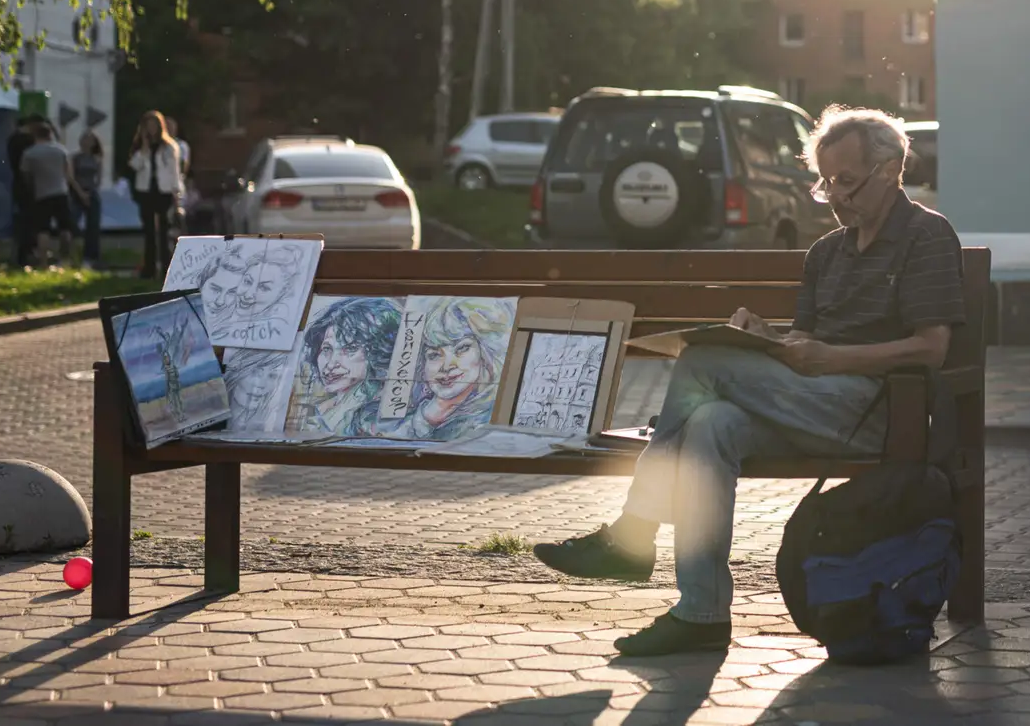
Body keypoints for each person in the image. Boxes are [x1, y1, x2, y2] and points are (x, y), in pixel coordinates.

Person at [533, 106, 966, 657]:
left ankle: (633, 533)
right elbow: (804, 345)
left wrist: (833, 359)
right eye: (825, 183)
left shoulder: (925, 236)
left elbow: (932, 348)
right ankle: (703, 614)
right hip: (815, 406)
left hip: (881, 412)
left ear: (889, 171)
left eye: (847, 183)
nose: (835, 197)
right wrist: (768, 337)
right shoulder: (826, 253)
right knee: (712, 424)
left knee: (699, 364)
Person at [389, 296, 510, 442]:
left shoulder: (489, 416)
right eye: (434, 355)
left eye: (462, 348)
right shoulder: (419, 415)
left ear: (485, 353)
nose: (446, 366)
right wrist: (427, 417)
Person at [293, 297, 401, 436]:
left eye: (350, 349)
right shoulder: (319, 411)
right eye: (326, 349)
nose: (331, 364)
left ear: (379, 352)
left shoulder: (378, 417)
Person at [127, 110, 182, 278]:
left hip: (164, 191)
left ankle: (166, 268)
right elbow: (135, 166)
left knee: (164, 231)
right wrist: (144, 147)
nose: (151, 129)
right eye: (148, 126)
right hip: (146, 191)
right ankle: (149, 268)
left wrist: (176, 193)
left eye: (154, 125)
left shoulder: (169, 146)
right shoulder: (140, 146)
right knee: (149, 231)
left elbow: (174, 172)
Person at [18, 121, 81, 263]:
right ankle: (65, 260)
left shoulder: (29, 153)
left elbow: (26, 175)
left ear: (35, 135)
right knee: (65, 228)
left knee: (43, 229)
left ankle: (44, 262)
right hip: (61, 192)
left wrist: (32, 188)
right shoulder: (61, 150)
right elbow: (68, 173)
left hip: (42, 193)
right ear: (50, 134)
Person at [6, 116, 38, 266]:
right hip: (30, 184)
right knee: (31, 219)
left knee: (21, 218)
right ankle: (27, 252)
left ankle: (21, 254)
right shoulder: (29, 142)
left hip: (17, 183)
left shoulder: (12, 140)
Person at [71, 131, 105, 269]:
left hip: (92, 192)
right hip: (77, 192)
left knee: (93, 225)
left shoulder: (97, 159)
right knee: (72, 222)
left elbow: (99, 178)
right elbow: (71, 177)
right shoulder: (75, 158)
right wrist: (80, 193)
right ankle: (71, 254)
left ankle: (91, 256)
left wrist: (92, 191)